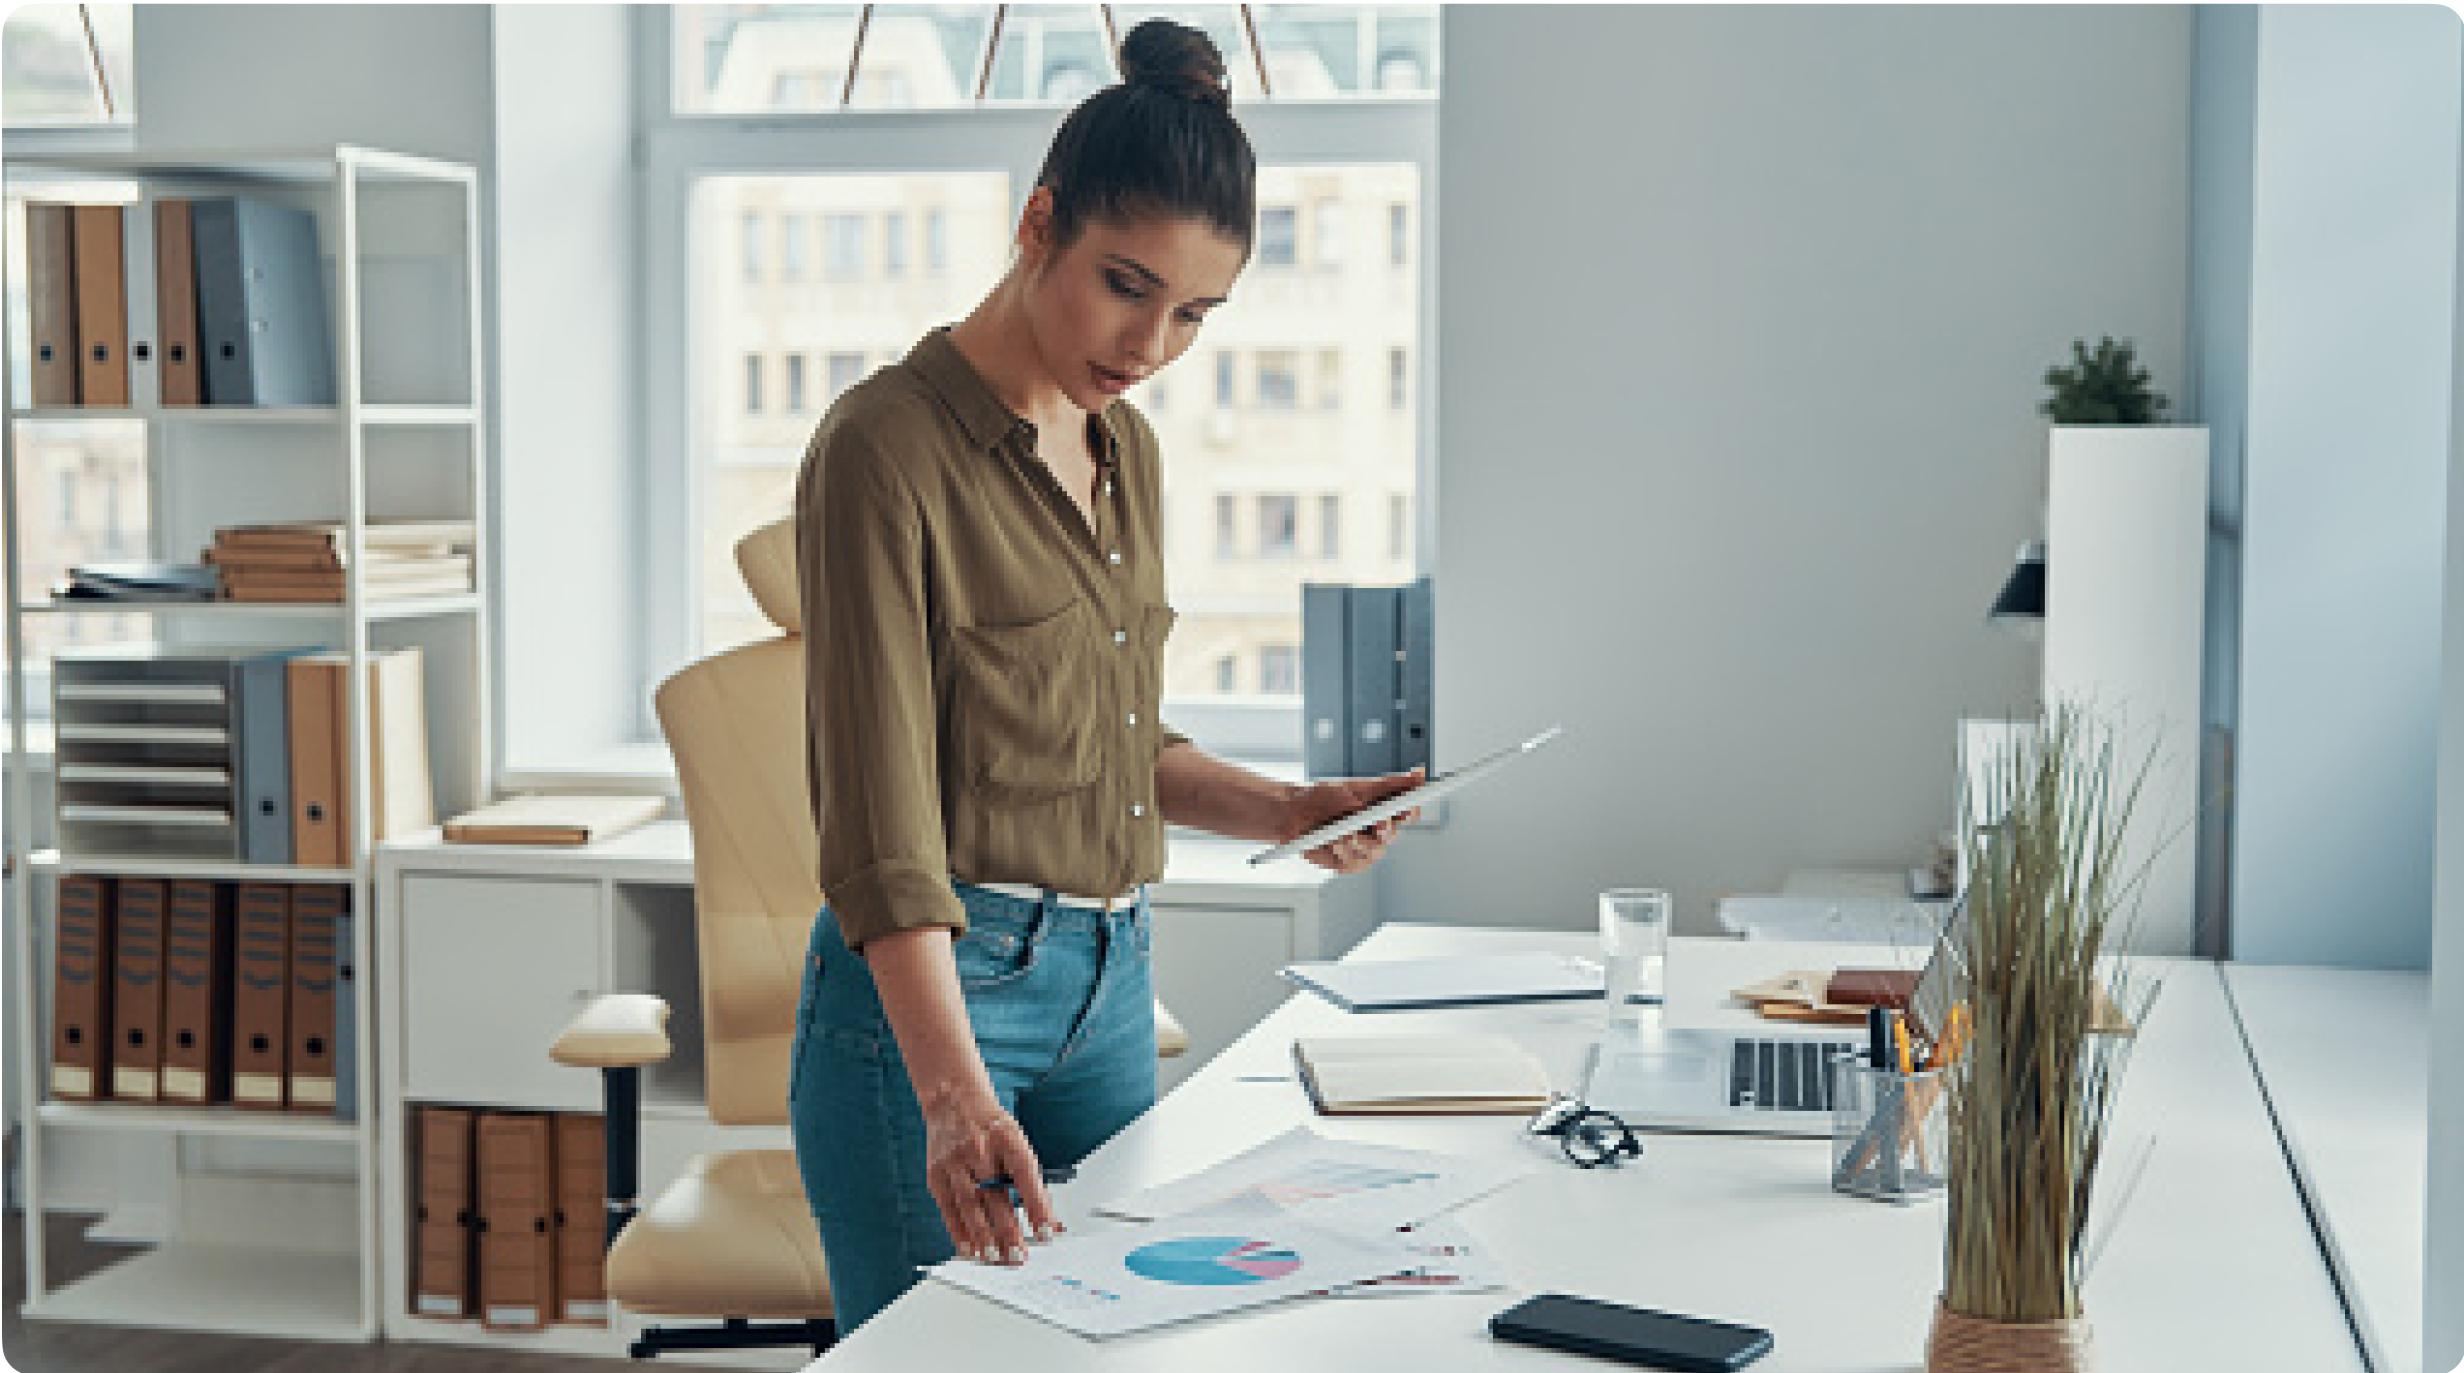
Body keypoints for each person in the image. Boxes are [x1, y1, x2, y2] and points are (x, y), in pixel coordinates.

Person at [789, 17, 1424, 1335]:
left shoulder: (1123, 448)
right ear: (1038, 224)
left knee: (1130, 1351)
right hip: (944, 1008)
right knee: (943, 1364)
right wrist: (957, 1100)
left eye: (1194, 311)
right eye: (1127, 284)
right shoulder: (882, 451)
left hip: (1112, 983)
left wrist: (1288, 810)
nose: (1151, 342)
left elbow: (1099, 738)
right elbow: (880, 822)